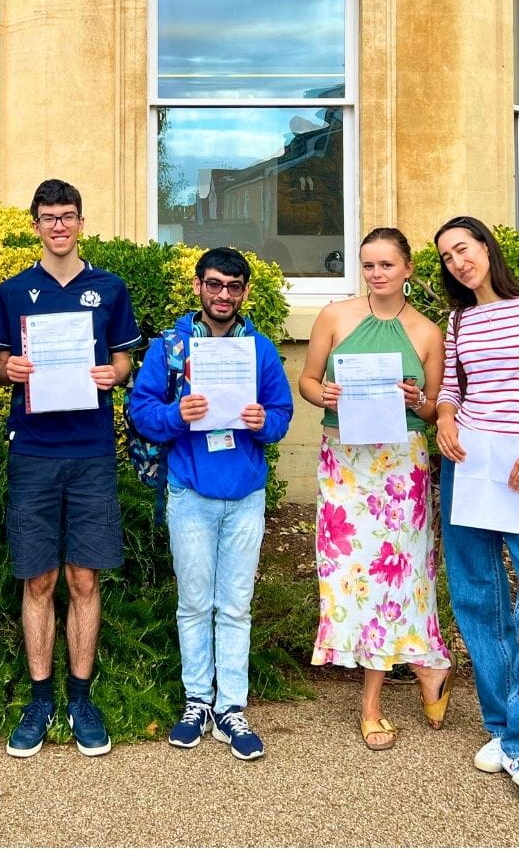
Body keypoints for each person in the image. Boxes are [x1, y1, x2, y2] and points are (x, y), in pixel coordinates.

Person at [0, 179, 140, 758]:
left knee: (84, 578)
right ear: (35, 225)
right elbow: (1, 363)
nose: (59, 226)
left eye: (68, 216)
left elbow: (124, 357)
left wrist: (115, 375)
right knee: (39, 579)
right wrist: (12, 370)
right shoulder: (13, 291)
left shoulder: (109, 288)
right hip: (32, 450)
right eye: (48, 217)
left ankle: (80, 697)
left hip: (91, 450)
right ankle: (40, 697)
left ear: (82, 223)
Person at [129, 246, 293, 760]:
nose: (224, 294)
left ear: (245, 291)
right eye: (215, 284)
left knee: (236, 604)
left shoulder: (260, 349)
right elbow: (141, 411)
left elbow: (282, 413)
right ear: (199, 285)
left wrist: (262, 422)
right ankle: (197, 701)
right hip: (190, 491)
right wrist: (178, 414)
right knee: (195, 602)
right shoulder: (171, 348)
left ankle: (232, 708)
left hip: (245, 494)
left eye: (234, 286)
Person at [298, 227, 454, 751]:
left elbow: (435, 408)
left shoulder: (429, 332)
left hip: (399, 466)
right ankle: (429, 664)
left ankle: (378, 700)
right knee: (350, 574)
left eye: (387, 265)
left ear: (408, 269)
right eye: (368, 265)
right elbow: (308, 382)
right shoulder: (335, 316)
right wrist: (327, 395)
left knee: (401, 577)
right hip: (346, 463)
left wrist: (417, 398)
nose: (377, 274)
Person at [434, 215, 519, 783]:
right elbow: (452, 387)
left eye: (463, 249)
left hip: (515, 462)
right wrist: (443, 417)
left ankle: (514, 732)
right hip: (467, 462)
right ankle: (503, 725)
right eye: (446, 257)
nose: (458, 262)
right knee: (476, 594)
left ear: (486, 247)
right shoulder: (458, 320)